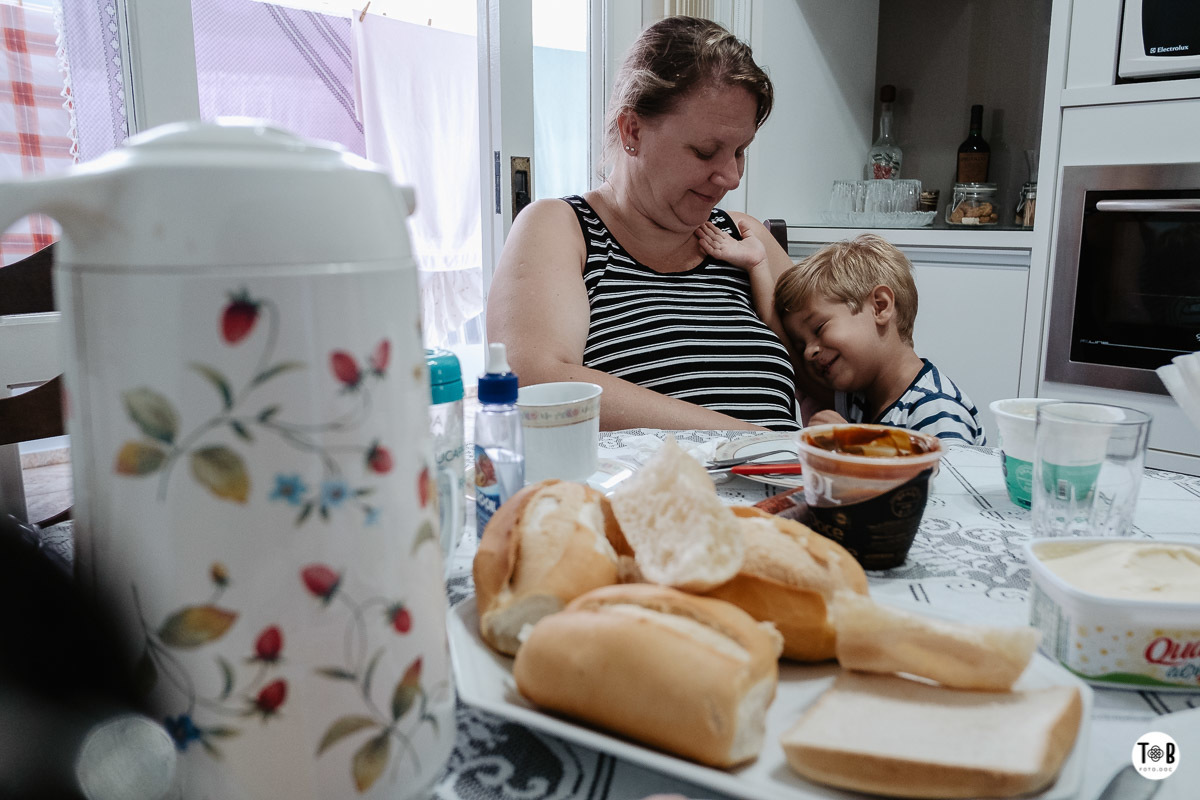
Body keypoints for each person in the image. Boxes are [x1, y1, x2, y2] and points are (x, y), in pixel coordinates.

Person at [486, 16, 800, 431]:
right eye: (705, 151)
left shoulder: (745, 240)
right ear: (632, 129)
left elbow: (832, 372)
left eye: (741, 151)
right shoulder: (561, 229)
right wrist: (755, 442)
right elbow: (534, 383)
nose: (731, 177)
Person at [711, 228, 984, 443]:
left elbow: (949, 488)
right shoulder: (859, 398)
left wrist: (853, 447)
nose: (808, 352)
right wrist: (757, 266)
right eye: (802, 344)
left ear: (880, 306)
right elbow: (783, 346)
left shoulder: (936, 409)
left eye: (819, 328)